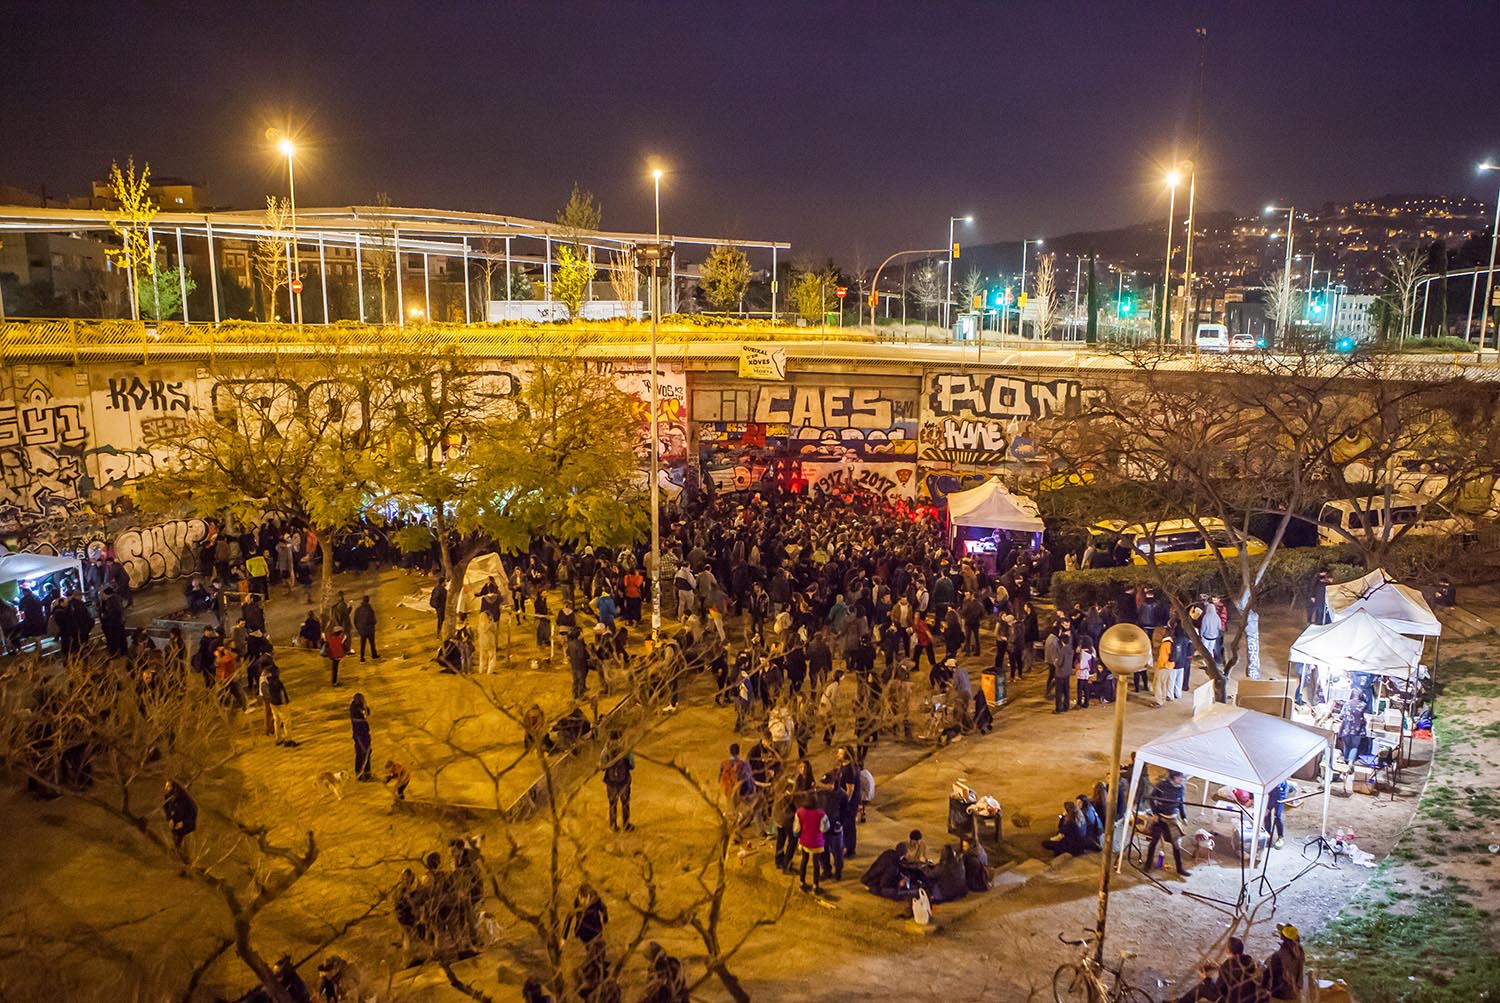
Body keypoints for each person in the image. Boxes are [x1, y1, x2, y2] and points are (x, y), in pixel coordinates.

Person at [1145, 770, 1191, 876]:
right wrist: (1155, 812)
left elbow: (1180, 803)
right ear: (1174, 777)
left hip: (1172, 819)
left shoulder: (1181, 788)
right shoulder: (1162, 785)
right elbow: (1151, 798)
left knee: (1176, 845)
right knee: (1154, 842)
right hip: (1160, 818)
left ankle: (1179, 868)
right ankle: (1148, 864)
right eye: (1180, 777)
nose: (1182, 779)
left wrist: (1184, 816)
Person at [793, 793, 828, 893]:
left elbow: (796, 829)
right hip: (817, 842)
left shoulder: (799, 812)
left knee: (804, 861)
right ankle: (815, 886)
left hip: (804, 841)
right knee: (816, 863)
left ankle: (802, 883)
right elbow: (824, 828)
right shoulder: (821, 813)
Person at [1263, 924, 1305, 1001]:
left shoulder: (1278, 955)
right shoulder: (1300, 950)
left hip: (1280, 994)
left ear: (1283, 937)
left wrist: (1264, 987)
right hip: (1296, 991)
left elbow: (1268, 974)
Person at [601, 744, 635, 831]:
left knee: (612, 803)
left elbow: (603, 767)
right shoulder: (626, 750)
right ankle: (626, 825)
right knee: (625, 803)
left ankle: (613, 824)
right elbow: (632, 766)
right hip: (624, 781)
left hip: (611, 782)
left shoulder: (605, 751)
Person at [1218, 937, 1262, 1003]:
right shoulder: (1250, 961)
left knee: (1203, 986)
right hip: (1252, 1000)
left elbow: (1220, 989)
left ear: (1228, 950)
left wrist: (1206, 979)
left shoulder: (1226, 966)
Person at [163, 779, 197, 859]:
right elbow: (166, 808)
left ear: (174, 787)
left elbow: (193, 812)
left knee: (187, 850)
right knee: (176, 843)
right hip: (176, 826)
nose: (166, 788)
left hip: (187, 828)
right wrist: (169, 819)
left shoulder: (185, 798)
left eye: (168, 786)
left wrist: (184, 822)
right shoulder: (168, 797)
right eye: (166, 786)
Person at [1338, 690, 1368, 763]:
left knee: (1346, 745)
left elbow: (1341, 716)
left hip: (1346, 728)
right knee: (1354, 746)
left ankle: (1345, 760)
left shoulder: (1347, 703)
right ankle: (1351, 762)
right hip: (1358, 729)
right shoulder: (1363, 705)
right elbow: (1365, 717)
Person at [350, 693, 374, 781]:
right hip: (361, 734)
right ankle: (365, 774)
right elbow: (363, 717)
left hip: (361, 734)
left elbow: (368, 713)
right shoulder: (356, 709)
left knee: (361, 753)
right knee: (365, 752)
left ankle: (361, 774)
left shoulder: (358, 707)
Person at [354, 595, 379, 660]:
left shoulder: (358, 610)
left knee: (362, 644)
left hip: (362, 630)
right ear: (368, 600)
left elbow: (355, 620)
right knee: (372, 643)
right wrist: (374, 623)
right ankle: (374, 655)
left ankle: (362, 657)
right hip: (369, 630)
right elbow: (372, 620)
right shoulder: (369, 609)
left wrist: (358, 628)